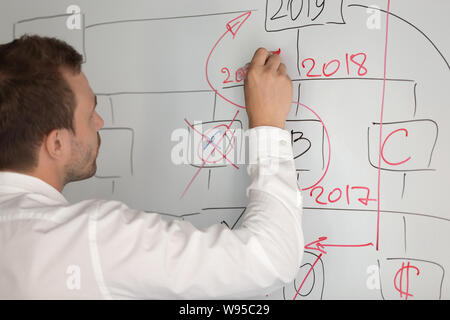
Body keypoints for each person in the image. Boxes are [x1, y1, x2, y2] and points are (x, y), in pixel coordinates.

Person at [0, 35, 303, 299]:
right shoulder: (89, 237)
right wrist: (268, 127)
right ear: (56, 144)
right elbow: (271, 258)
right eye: (90, 113)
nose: (99, 123)